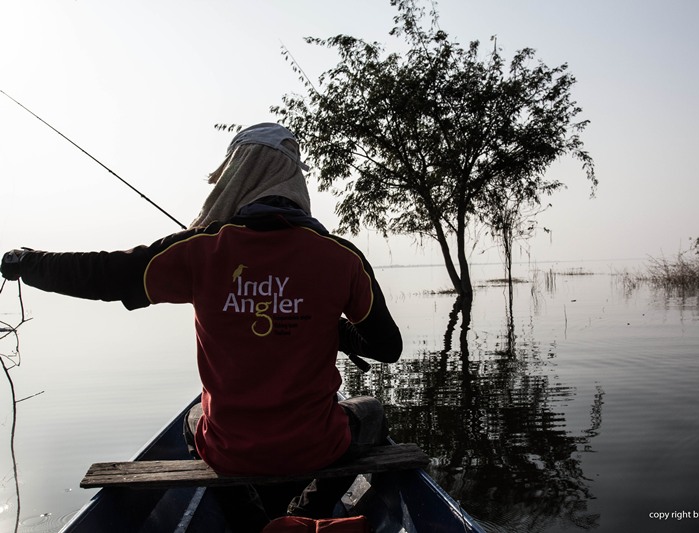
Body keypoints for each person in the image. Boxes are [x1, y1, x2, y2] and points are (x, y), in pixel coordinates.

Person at [1, 123, 403, 531]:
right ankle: (309, 513)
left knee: (194, 419)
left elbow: (106, 274)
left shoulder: (199, 250)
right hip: (318, 445)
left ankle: (254, 524)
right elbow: (387, 347)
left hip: (231, 451)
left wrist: (28, 262)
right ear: (293, 179)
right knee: (370, 410)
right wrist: (331, 329)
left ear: (236, 175)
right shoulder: (342, 258)